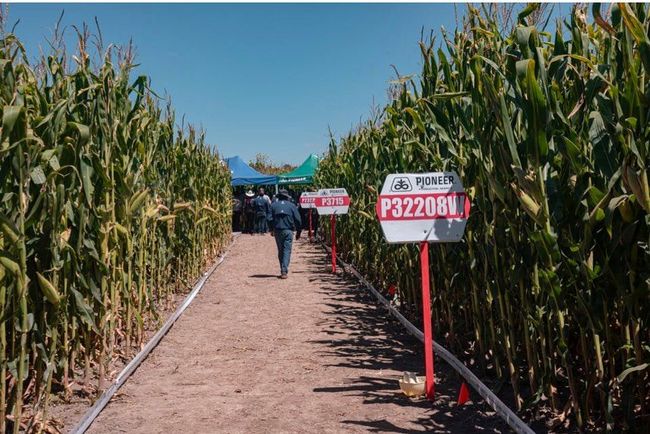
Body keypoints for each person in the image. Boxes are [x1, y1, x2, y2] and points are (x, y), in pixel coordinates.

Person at [269, 189, 301, 278]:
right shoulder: (292, 206)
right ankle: (284, 270)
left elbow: (269, 218)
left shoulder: (273, 205)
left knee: (281, 251)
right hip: (288, 231)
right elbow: (298, 219)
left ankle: (282, 268)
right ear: (287, 197)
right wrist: (299, 232)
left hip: (278, 231)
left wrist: (271, 229)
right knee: (287, 250)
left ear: (278, 197)